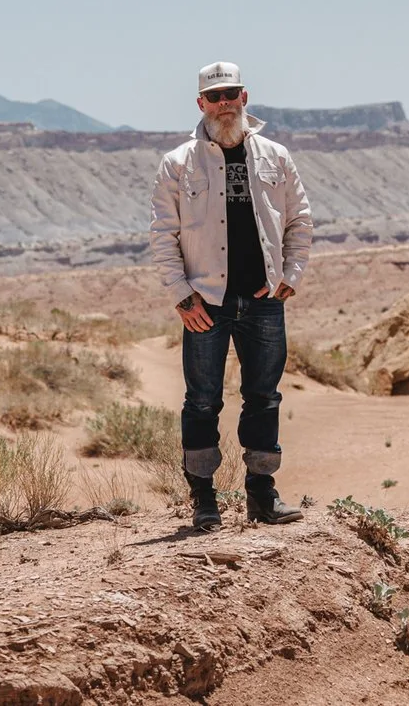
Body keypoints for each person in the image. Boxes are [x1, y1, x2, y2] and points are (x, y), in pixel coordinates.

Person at [147, 60, 313, 531]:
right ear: (200, 104)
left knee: (264, 397)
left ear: (245, 98)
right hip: (206, 303)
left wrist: (291, 275)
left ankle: (262, 494)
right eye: (215, 96)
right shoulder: (178, 163)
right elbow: (163, 234)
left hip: (264, 301)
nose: (225, 104)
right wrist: (182, 297)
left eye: (232, 94)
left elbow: (299, 220)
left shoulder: (276, 156)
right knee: (202, 401)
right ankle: (204, 500)